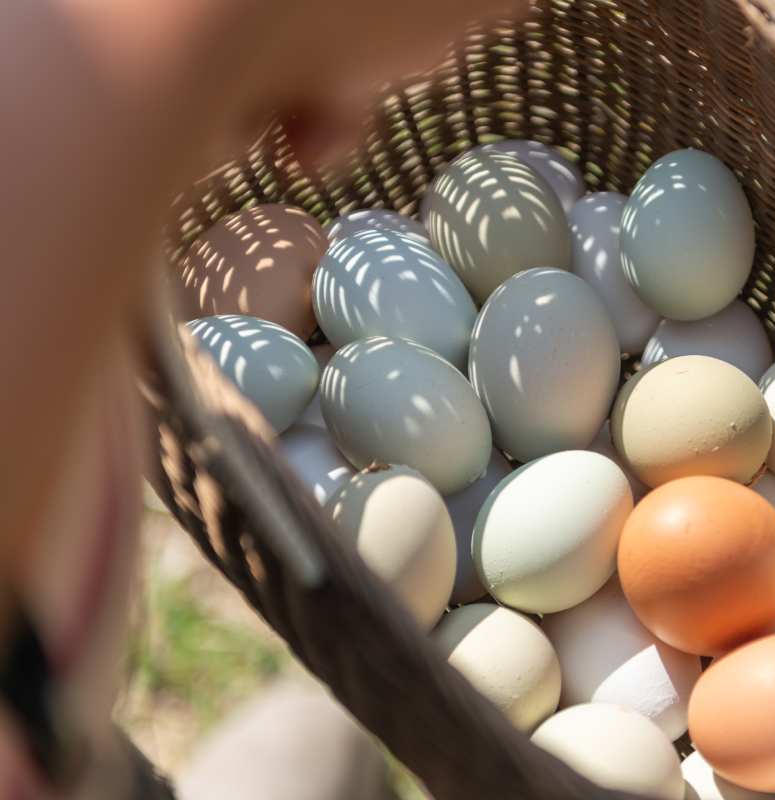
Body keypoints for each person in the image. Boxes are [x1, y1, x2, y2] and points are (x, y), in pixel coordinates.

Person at [0, 2, 520, 797]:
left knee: (314, 744)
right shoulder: (64, 117)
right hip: (41, 743)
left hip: (61, 718)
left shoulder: (90, 146)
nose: (450, 58)